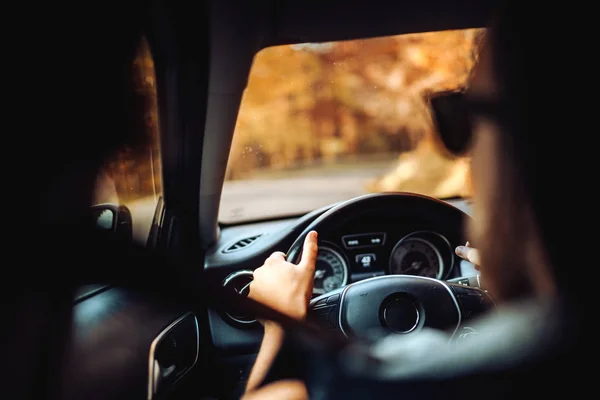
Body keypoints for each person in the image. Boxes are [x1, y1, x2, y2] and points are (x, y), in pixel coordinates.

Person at [242, 2, 585, 399]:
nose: (470, 156)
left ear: (525, 139)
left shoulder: (420, 377)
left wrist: (279, 321)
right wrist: (520, 280)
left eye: (464, 118)